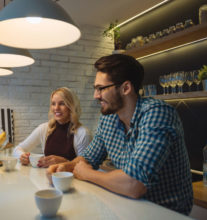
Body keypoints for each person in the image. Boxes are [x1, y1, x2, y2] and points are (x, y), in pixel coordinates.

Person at [47, 54, 193, 215]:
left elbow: (134, 184)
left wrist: (88, 174)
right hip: (128, 208)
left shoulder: (157, 113)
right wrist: (64, 167)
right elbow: (88, 158)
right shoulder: (108, 118)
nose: (96, 96)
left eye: (101, 88)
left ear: (126, 88)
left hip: (166, 213)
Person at [13, 87, 91, 168]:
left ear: (71, 107)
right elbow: (17, 149)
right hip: (47, 177)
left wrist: (65, 162)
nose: (56, 108)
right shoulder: (44, 128)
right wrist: (22, 156)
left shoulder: (83, 133)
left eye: (62, 103)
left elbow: (85, 166)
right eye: (53, 104)